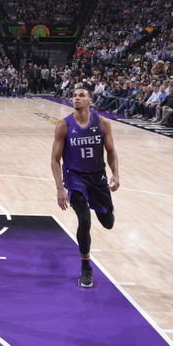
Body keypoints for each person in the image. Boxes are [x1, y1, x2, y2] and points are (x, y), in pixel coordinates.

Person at [51, 86, 120, 288]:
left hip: (98, 178)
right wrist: (59, 188)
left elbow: (112, 152)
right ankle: (86, 266)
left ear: (90, 100)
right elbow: (55, 160)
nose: (76, 98)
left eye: (81, 95)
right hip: (75, 177)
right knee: (84, 219)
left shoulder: (103, 123)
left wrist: (115, 174)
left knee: (108, 222)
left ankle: (102, 208)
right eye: (74, 95)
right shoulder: (63, 125)